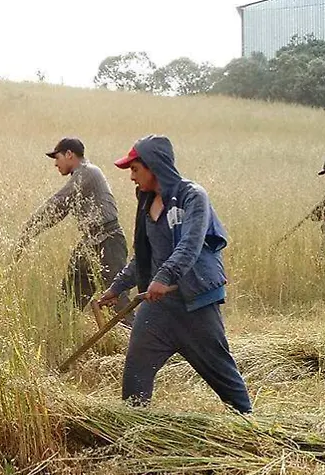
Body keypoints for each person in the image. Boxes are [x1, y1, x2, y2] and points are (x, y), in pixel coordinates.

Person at [97, 135, 252, 414]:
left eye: (135, 169)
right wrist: (117, 287)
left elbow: (190, 244)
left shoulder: (192, 196)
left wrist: (164, 277)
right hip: (159, 306)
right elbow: (144, 255)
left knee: (222, 374)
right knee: (136, 371)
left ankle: (249, 423)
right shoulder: (146, 202)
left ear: (154, 166)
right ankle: (135, 425)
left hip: (195, 301)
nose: (131, 177)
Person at [14, 137, 131, 316]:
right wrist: (29, 235)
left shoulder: (89, 171)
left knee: (119, 305)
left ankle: (136, 334)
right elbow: (58, 213)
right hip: (89, 243)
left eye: (57, 157)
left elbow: (57, 202)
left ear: (69, 154)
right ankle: (64, 330)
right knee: (67, 302)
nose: (55, 164)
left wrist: (27, 230)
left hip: (109, 241)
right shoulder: (81, 176)